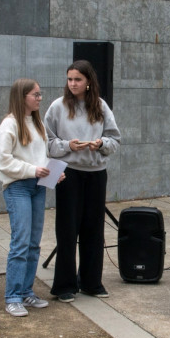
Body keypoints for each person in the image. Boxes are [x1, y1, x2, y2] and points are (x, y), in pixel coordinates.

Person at [45, 60, 121, 302]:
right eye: (70, 79)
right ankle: (64, 285)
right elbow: (45, 143)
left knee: (93, 230)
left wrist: (100, 144)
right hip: (68, 173)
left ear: (89, 81)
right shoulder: (57, 106)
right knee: (67, 229)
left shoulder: (100, 106)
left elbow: (114, 140)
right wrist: (68, 145)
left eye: (78, 79)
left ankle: (90, 282)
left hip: (96, 173)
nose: (73, 83)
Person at [0, 79, 64, 317]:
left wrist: (53, 173)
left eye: (40, 94)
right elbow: (1, 160)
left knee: (34, 243)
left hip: (38, 187)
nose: (39, 98)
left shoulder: (37, 123)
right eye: (35, 94)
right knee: (21, 242)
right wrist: (33, 170)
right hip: (18, 188)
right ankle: (12, 296)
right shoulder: (9, 124)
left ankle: (26, 291)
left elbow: (40, 157)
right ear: (22, 96)